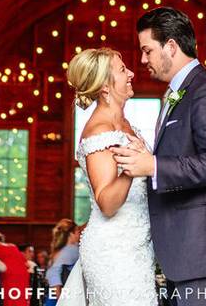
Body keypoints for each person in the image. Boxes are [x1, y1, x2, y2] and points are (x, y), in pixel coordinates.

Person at [112, 7, 206, 305]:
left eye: (147, 50)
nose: (143, 60)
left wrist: (153, 166)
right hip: (186, 255)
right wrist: (149, 157)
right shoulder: (179, 92)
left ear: (171, 46)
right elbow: (185, 154)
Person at [55, 47, 156, 306]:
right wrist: (132, 169)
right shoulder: (99, 132)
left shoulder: (126, 125)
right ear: (105, 87)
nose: (132, 73)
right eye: (123, 70)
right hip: (114, 253)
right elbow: (107, 203)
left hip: (137, 248)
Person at [44, 219, 80, 304]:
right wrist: (61, 299)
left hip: (53, 294)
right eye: (78, 232)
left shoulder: (58, 250)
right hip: (59, 296)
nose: (80, 234)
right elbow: (53, 273)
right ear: (71, 234)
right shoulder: (72, 250)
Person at [0, 231, 29, 306]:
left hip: (8, 275)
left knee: (9, 300)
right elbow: (27, 265)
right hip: (22, 275)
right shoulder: (13, 246)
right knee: (20, 298)